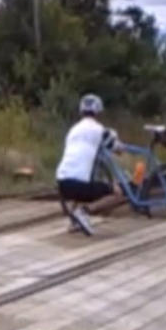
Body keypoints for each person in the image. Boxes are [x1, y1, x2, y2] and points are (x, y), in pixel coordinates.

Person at [55, 93, 124, 235]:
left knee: (79, 187)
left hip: (61, 182)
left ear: (81, 111)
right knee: (118, 193)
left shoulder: (72, 130)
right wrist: (120, 147)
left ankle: (74, 222)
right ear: (98, 112)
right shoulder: (99, 130)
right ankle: (84, 212)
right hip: (79, 185)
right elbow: (116, 148)